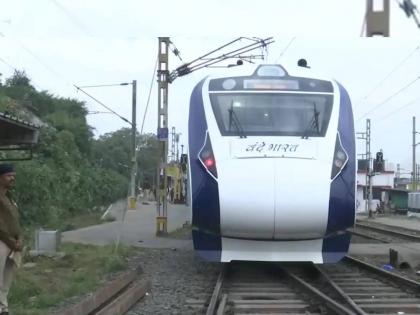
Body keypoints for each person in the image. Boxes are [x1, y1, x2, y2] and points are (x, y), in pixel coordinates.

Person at [0, 164, 23, 315]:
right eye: (9, 175)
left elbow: (16, 220)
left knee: (8, 275)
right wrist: (10, 241)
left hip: (14, 243)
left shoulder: (9, 196)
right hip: (2, 242)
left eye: (13, 175)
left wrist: (20, 238)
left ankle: (3, 307)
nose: (12, 178)